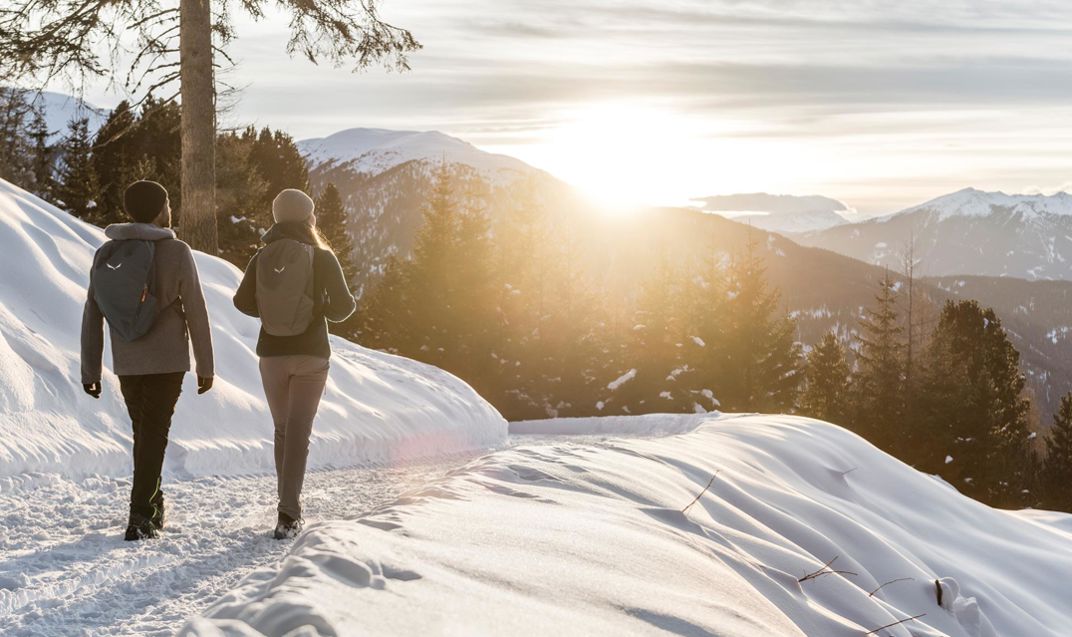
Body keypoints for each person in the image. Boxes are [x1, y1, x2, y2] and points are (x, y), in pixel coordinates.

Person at [81, 180, 214, 541]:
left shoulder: (107, 254)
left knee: (145, 433)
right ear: (160, 209)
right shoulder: (177, 251)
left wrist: (90, 369)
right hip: (167, 361)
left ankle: (153, 506)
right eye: (168, 202)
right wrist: (206, 365)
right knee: (153, 435)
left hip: (127, 361)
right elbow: (197, 311)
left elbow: (92, 312)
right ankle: (140, 514)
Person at [233, 188, 356, 539]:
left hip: (271, 355)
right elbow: (345, 308)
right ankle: (288, 514)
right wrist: (318, 309)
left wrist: (270, 310)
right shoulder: (322, 257)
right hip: (311, 354)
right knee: (299, 431)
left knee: (283, 430)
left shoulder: (261, 257)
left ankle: (286, 506)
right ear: (308, 217)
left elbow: (242, 302)